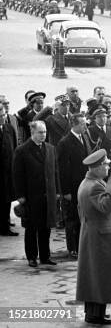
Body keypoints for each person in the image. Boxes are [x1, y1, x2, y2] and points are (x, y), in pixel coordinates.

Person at [76, 149, 111, 325]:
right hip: (100, 237)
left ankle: (94, 313)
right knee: (101, 276)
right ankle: (94, 315)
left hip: (94, 233)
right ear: (97, 167)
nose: (108, 168)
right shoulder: (95, 186)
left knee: (94, 276)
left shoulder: (88, 182)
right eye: (106, 165)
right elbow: (106, 206)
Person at [13, 121, 60, 267]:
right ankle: (32, 257)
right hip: (31, 195)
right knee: (32, 227)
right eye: (40, 132)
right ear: (32, 132)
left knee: (46, 226)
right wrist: (20, 196)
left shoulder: (51, 149)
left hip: (48, 194)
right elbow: (17, 175)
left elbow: (56, 172)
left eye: (45, 132)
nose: (43, 135)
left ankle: (45, 256)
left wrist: (57, 191)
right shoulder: (22, 150)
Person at [57, 113, 91, 259]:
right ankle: (73, 248)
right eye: (83, 124)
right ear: (75, 125)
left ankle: (82, 246)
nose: (85, 126)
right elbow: (62, 170)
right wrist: (65, 191)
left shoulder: (84, 138)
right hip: (72, 187)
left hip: (84, 185)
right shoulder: (64, 143)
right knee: (72, 219)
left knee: (83, 217)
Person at [0, 105, 18, 236]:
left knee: (7, 200)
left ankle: (5, 227)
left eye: (3, 115)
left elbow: (15, 148)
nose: (2, 118)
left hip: (7, 171)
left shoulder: (9, 128)